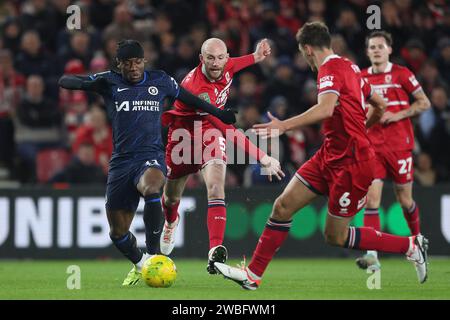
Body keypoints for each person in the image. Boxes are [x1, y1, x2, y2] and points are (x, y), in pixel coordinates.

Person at [213, 22, 429, 290]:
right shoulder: (350, 67)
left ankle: (410, 245)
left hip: (352, 163)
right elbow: (380, 105)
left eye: (303, 53)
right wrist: (360, 128)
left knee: (335, 236)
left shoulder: (330, 69)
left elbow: (326, 108)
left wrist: (284, 125)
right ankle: (253, 276)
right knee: (282, 206)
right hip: (330, 154)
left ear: (307, 49)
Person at [58, 39, 237, 286]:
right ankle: (141, 263)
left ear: (145, 62)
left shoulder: (160, 80)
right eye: (127, 63)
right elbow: (67, 81)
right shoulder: (109, 82)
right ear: (119, 65)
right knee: (118, 233)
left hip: (150, 155)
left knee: (153, 186)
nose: (133, 68)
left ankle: (154, 255)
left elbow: (191, 98)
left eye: (137, 62)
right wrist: (83, 82)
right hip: (121, 162)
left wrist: (219, 113)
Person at [159, 38, 284, 274]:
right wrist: (263, 157)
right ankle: (170, 221)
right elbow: (227, 129)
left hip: (209, 133)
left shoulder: (225, 65)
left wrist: (256, 56)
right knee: (171, 197)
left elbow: (236, 64)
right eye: (210, 58)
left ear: (225, 57)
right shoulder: (196, 88)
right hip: (184, 135)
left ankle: (214, 252)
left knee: (216, 187)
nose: (215, 64)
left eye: (220, 58)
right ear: (201, 58)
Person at [356, 31, 431, 272]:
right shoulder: (363, 78)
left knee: (405, 199)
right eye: (372, 47)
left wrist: (397, 115)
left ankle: (417, 241)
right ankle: (372, 255)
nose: (376, 50)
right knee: (372, 198)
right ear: (367, 52)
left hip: (399, 145)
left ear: (389, 49)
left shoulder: (402, 74)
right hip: (372, 146)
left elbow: (424, 102)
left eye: (380, 46)